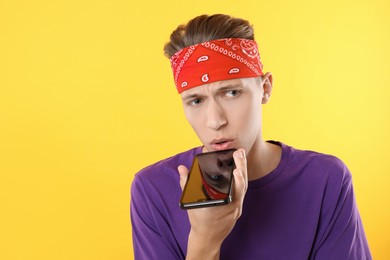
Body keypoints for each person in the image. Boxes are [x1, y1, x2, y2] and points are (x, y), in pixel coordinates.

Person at [130, 14, 371, 259]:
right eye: (196, 100)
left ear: (265, 89)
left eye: (231, 93)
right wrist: (204, 241)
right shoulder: (153, 189)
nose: (215, 121)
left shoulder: (325, 180)